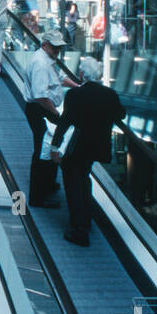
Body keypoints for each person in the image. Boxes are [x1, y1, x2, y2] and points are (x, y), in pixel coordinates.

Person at [50, 57, 122, 246]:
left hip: (79, 146)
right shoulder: (110, 95)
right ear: (99, 75)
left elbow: (64, 123)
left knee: (73, 184)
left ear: (82, 74)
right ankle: (87, 220)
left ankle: (79, 230)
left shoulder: (74, 95)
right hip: (99, 147)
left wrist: (55, 146)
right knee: (83, 179)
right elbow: (121, 114)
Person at [24, 28, 79, 208]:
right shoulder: (40, 63)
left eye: (59, 48)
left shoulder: (47, 59)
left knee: (48, 147)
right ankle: (38, 196)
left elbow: (59, 78)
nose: (58, 51)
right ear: (45, 45)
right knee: (43, 151)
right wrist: (56, 115)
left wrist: (78, 87)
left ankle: (48, 184)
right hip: (41, 110)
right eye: (54, 47)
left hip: (45, 109)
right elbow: (40, 95)